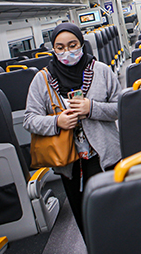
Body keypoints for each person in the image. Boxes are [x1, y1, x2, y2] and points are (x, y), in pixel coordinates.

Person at [24, 22, 121, 237]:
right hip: (69, 162)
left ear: (81, 44)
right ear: (53, 49)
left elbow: (120, 108)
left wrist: (92, 108)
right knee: (85, 218)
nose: (67, 51)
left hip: (105, 157)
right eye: (60, 47)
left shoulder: (101, 71)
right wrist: (56, 122)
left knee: (115, 213)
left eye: (72, 45)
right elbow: (29, 119)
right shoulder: (42, 80)